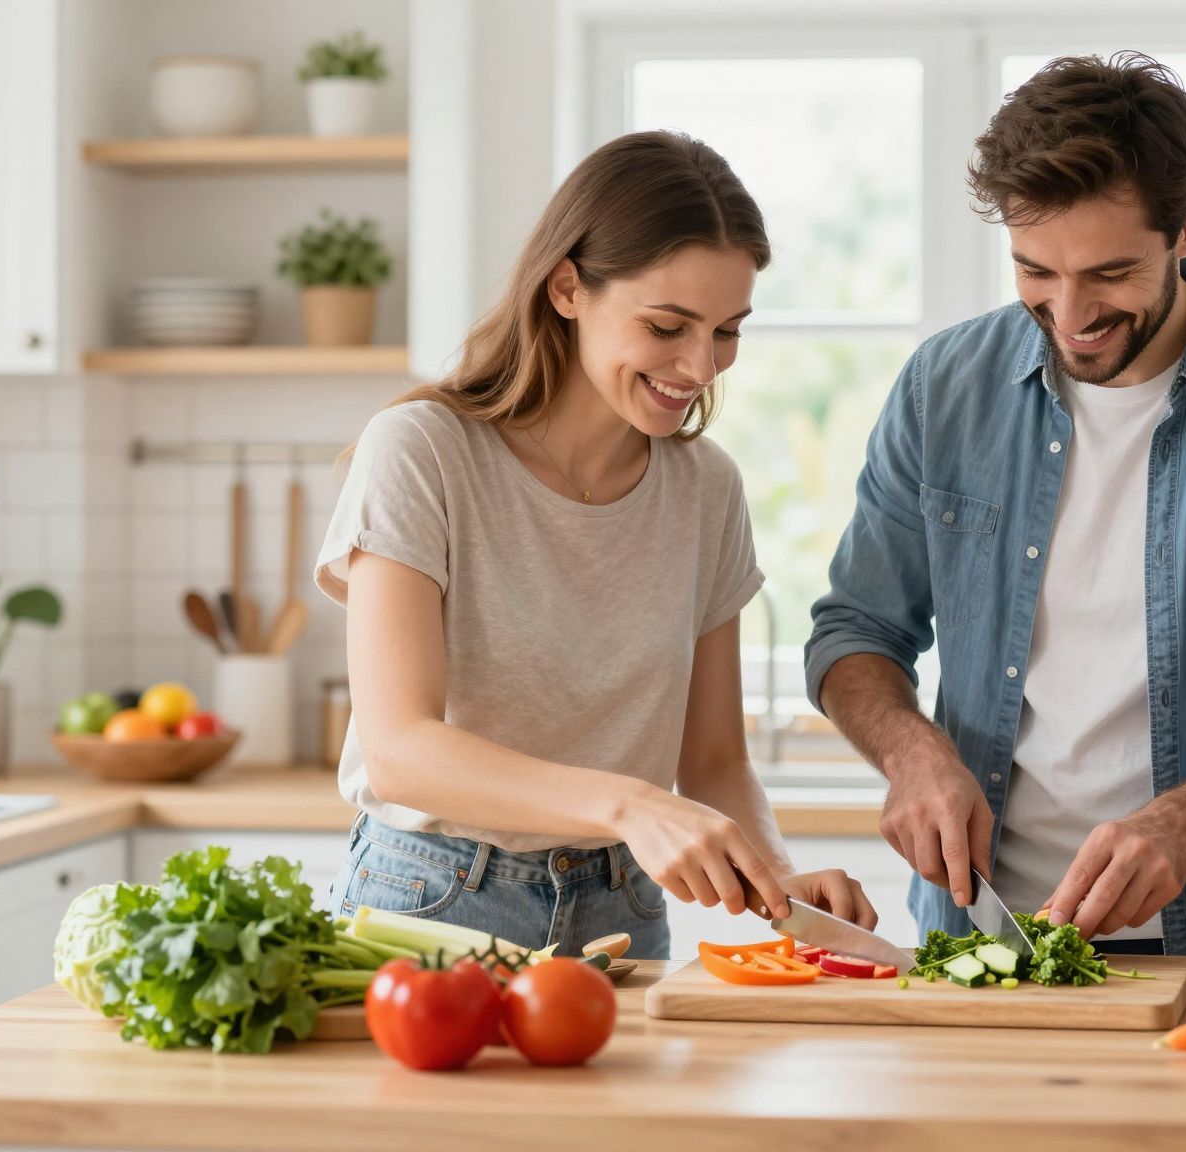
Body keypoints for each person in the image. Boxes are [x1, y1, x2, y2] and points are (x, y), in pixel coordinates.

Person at [805, 53, 1186, 968]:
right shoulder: (944, 388)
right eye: (1034, 269)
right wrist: (911, 756)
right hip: (976, 933)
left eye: (1109, 273)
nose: (1069, 311)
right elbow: (855, 632)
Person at [317, 131, 874, 959]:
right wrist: (628, 805)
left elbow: (715, 758)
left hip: (621, 910)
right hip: (433, 897)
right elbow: (400, 752)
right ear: (568, 287)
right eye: (667, 325)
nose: (699, 365)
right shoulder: (422, 450)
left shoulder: (704, 489)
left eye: (727, 331)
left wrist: (776, 878)